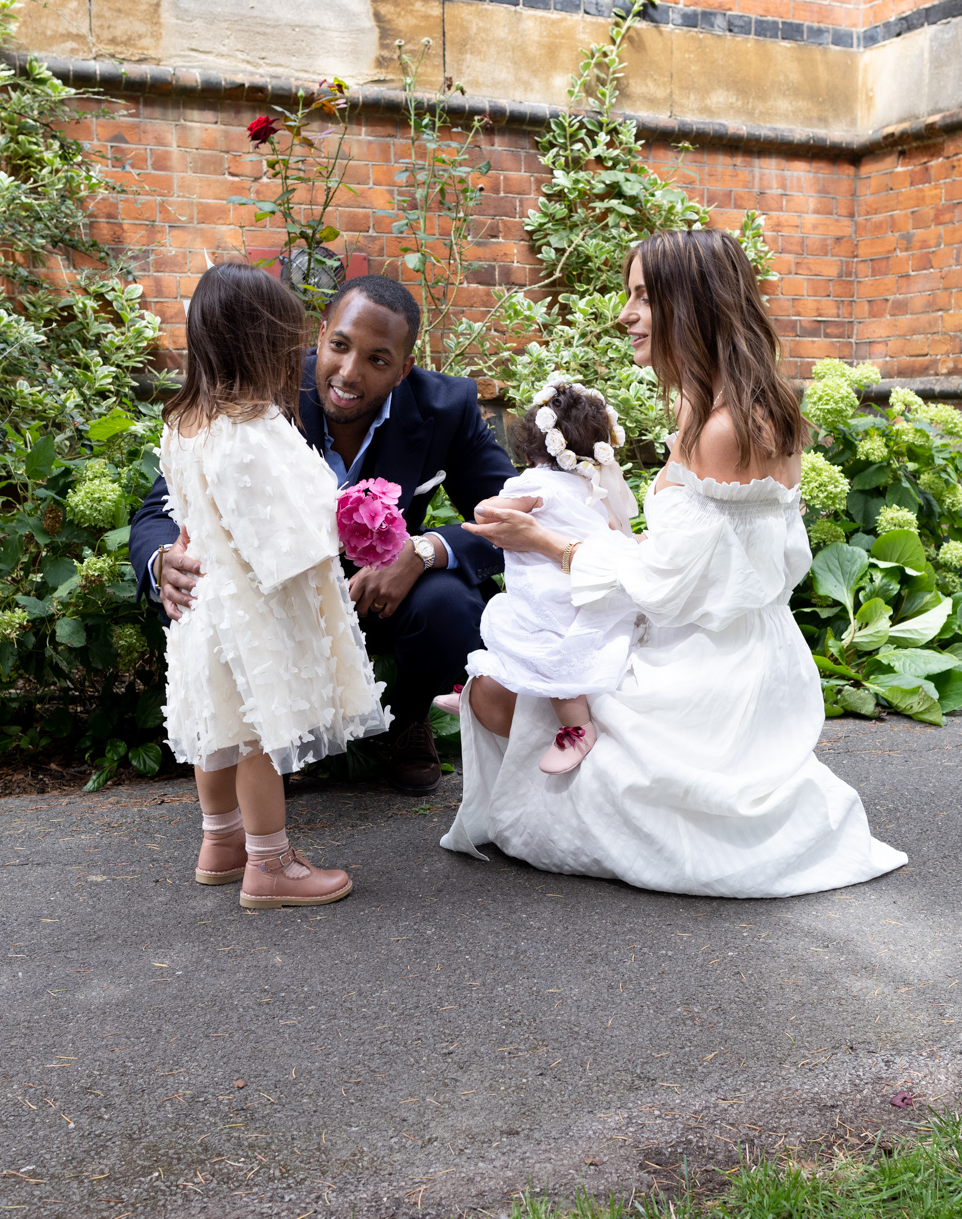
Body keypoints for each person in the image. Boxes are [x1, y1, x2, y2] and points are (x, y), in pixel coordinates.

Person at [444, 228, 908, 898]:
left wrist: (546, 544)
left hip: (709, 674)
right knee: (514, 682)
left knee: (496, 689)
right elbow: (715, 564)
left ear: (688, 304)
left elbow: (666, 588)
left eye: (640, 297)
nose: (624, 314)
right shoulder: (736, 406)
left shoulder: (722, 427)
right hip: (746, 653)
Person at [130, 273, 517, 793]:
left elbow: (511, 518)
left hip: (381, 597)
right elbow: (165, 501)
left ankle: (405, 721)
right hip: (277, 601)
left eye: (377, 360)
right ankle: (270, 744)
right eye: (340, 346)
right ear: (320, 336)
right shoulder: (260, 388)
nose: (349, 373)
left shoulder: (447, 408)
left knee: (450, 604)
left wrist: (424, 551)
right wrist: (160, 561)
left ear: (403, 370)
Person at [153, 263, 387, 908]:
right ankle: (270, 864)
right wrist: (352, 522)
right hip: (255, 606)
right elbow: (284, 527)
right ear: (259, 343)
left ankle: (221, 841)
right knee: (257, 733)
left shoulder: (185, 423)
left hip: (206, 605)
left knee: (219, 724)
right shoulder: (254, 430)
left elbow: (194, 515)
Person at [435, 378, 641, 776]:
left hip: (545, 593)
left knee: (542, 651)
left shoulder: (534, 484)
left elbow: (485, 513)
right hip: (582, 586)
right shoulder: (592, 489)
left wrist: (493, 505)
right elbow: (618, 535)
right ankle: (482, 688)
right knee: (526, 641)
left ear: (531, 446)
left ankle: (577, 728)